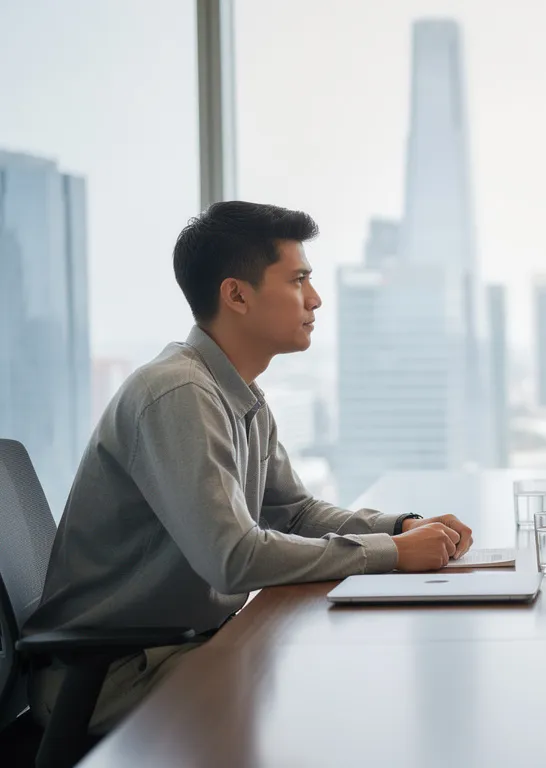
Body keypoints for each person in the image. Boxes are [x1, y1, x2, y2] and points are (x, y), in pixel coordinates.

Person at [23, 202, 474, 732]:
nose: (316, 298)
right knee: (343, 694)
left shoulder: (239, 394)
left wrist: (398, 528)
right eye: (298, 279)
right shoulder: (178, 393)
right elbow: (233, 559)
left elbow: (295, 512)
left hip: (178, 648)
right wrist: (392, 554)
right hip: (112, 674)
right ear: (236, 294)